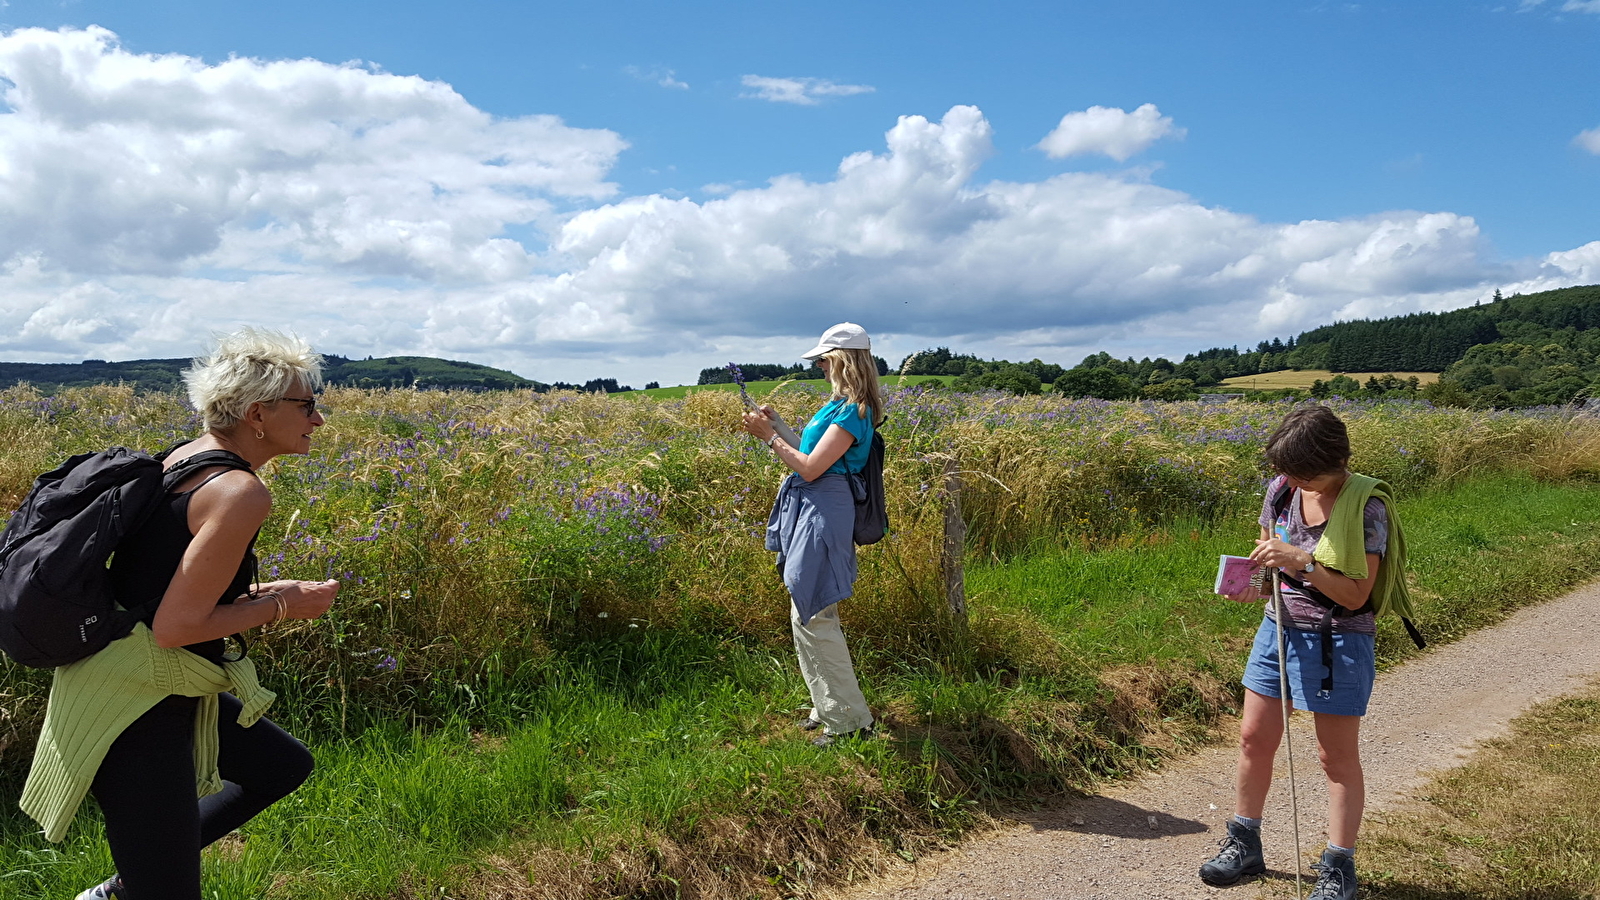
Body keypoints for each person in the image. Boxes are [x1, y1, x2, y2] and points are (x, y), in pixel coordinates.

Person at [18, 328, 341, 900]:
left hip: (146, 677)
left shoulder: (186, 459)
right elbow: (176, 628)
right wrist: (286, 605)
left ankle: (133, 882)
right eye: (308, 404)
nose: (318, 419)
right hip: (137, 703)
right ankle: (143, 880)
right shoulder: (240, 492)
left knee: (279, 766)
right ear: (258, 412)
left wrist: (267, 592)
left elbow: (163, 588)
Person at [1200, 404, 1410, 900]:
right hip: (1278, 627)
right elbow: (1269, 553)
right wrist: (1255, 582)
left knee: (1333, 757)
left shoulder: (1366, 507)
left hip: (1339, 639)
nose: (1288, 478)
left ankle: (1339, 868)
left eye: (1299, 471)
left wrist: (1302, 562)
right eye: (1283, 470)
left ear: (1333, 463)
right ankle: (1244, 843)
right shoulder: (1282, 489)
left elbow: (1357, 596)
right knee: (1253, 738)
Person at [742, 322, 883, 748]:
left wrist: (768, 439)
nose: (819, 366)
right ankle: (826, 706)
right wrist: (780, 425)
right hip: (815, 504)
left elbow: (810, 468)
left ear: (841, 360)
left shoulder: (854, 410)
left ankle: (851, 720)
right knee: (806, 608)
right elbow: (809, 452)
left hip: (824, 507)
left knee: (813, 610)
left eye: (823, 359)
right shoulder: (838, 407)